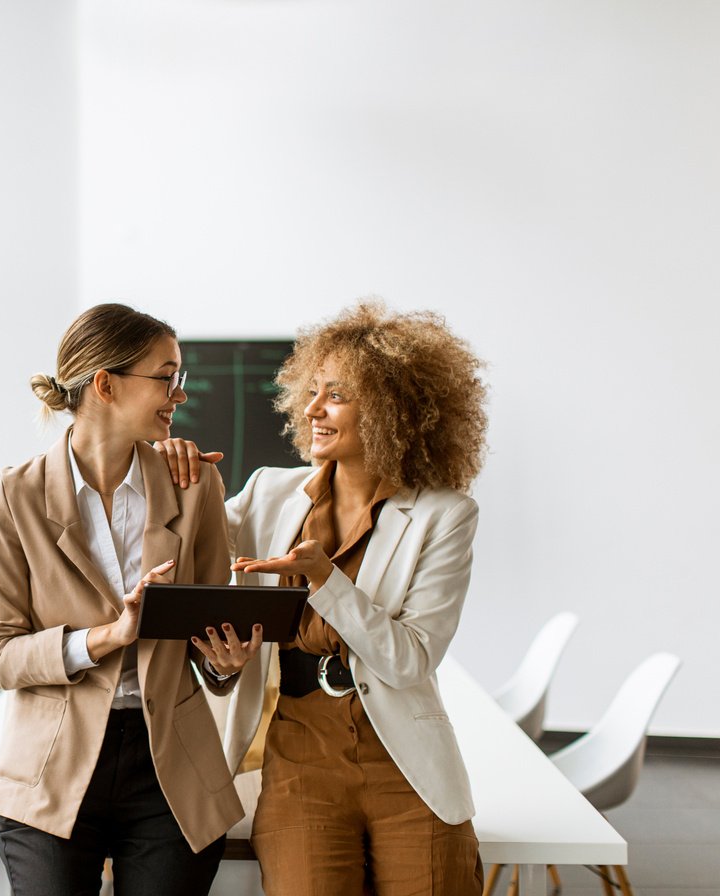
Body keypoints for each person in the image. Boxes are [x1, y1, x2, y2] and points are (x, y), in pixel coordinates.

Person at [157, 301, 489, 896]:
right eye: (311, 391)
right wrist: (166, 470)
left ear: (393, 411)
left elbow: (409, 660)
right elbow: (183, 547)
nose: (312, 408)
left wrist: (325, 581)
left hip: (407, 768)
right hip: (301, 765)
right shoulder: (267, 491)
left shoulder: (446, 515)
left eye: (336, 395)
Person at [0, 303, 262, 896]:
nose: (178, 394)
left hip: (171, 769)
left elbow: (205, 630)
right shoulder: (15, 496)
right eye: (166, 376)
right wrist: (108, 635)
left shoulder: (194, 484)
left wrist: (223, 663)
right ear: (105, 384)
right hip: (52, 762)